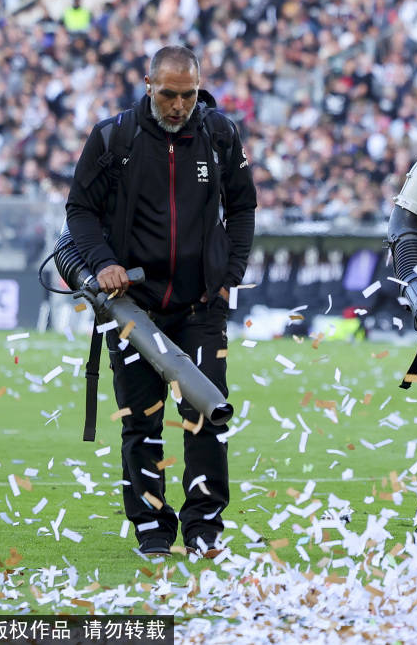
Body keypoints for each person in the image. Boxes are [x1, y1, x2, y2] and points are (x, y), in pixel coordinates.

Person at [66, 46, 256, 557]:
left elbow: (243, 209)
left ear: (199, 87)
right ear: (148, 83)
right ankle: (151, 527)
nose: (178, 105)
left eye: (188, 94)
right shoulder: (114, 137)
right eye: (168, 93)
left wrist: (228, 277)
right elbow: (79, 210)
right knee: (141, 420)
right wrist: (103, 262)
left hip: (201, 304)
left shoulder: (220, 135)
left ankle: (205, 526)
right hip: (132, 305)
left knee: (206, 414)